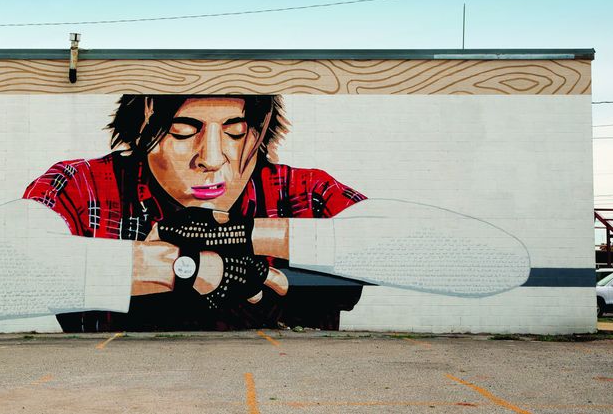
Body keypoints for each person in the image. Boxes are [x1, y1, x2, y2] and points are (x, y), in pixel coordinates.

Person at [22, 94, 367, 331]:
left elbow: (408, 245)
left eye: (236, 132)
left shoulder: (300, 189)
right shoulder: (84, 186)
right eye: (182, 132)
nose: (212, 158)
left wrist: (246, 234)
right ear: (141, 132)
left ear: (259, 133)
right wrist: (184, 268)